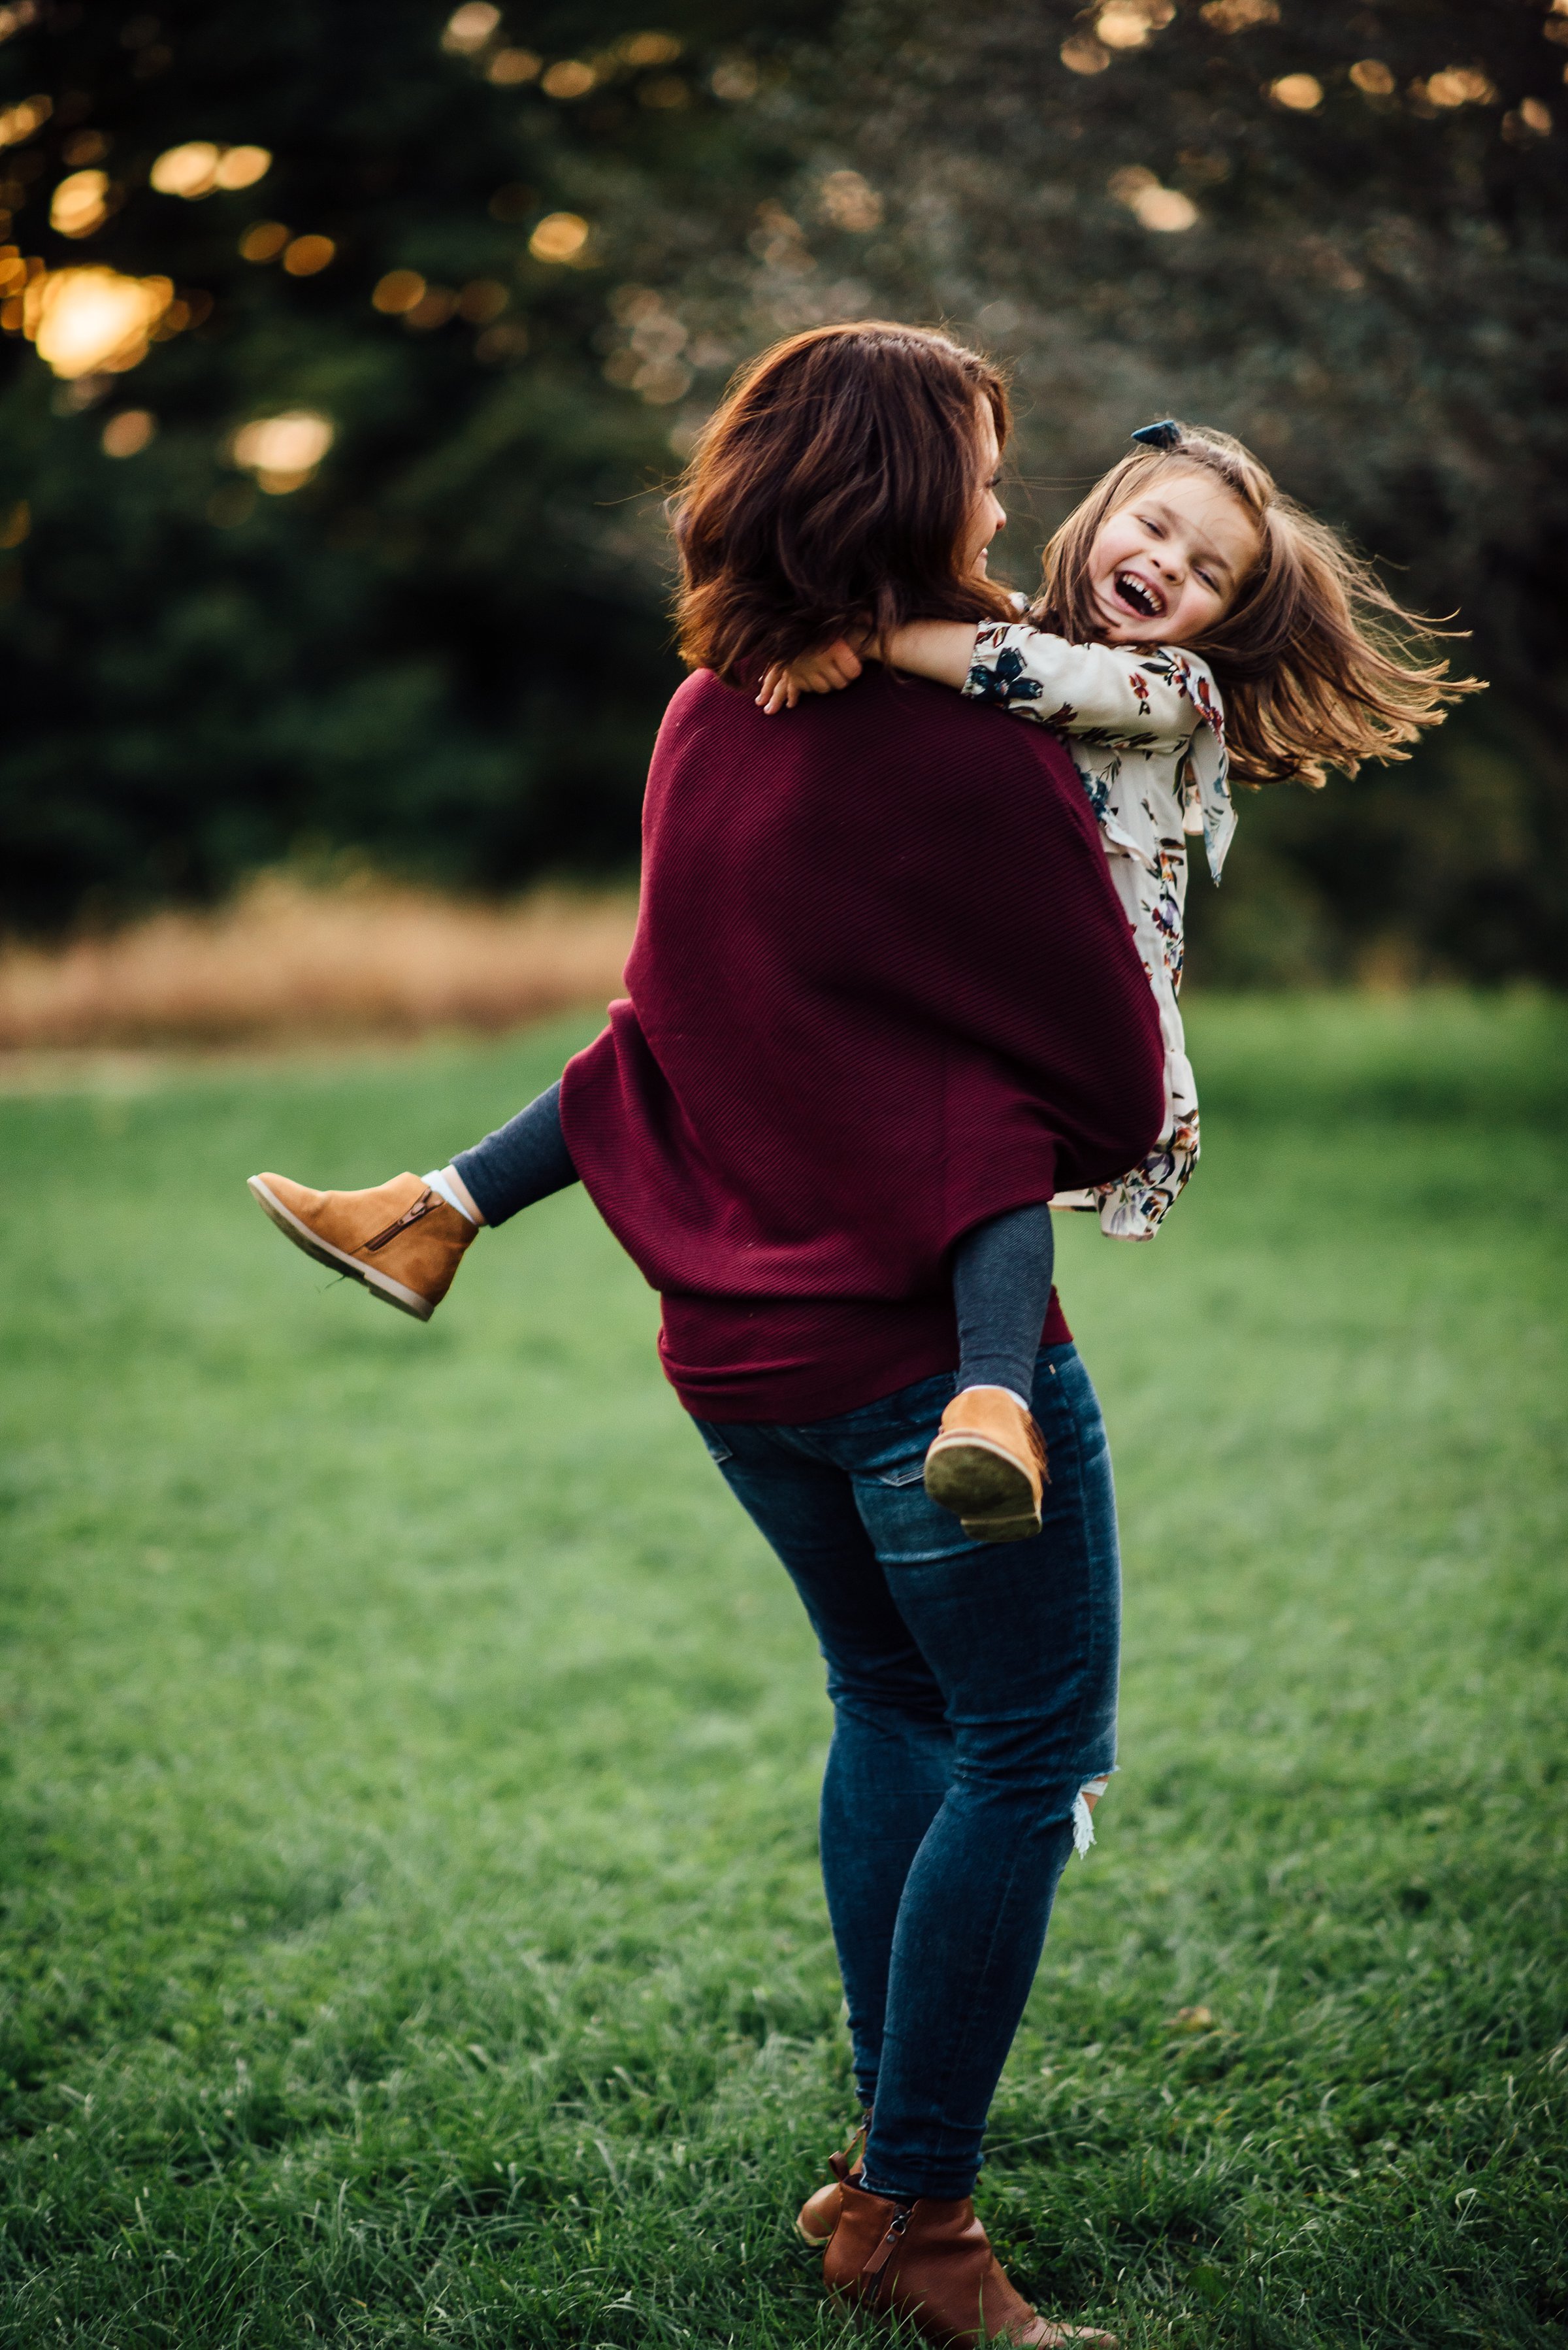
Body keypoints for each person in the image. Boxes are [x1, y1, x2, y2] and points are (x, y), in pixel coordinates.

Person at [250, 320, 1170, 2347]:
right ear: (915, 490)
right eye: (988, 469)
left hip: (740, 1365)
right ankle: (927, 2220)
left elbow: (661, 1030)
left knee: (894, 1709)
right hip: (935, 1357)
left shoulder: (702, 715)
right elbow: (1109, 1075)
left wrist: (475, 1190)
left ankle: (875, 2173)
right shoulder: (974, 745)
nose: (1011, 505)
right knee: (1022, 1755)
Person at [250, 414, 1478, 1555]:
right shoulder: (996, 629)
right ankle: (435, 1212)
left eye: (1209, 574)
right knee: (665, 1034)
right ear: (1102, 511)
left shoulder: (1165, 687)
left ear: (1219, 621)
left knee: (993, 1140)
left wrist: (863, 637)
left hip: (1075, 1003)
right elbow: (984, 662)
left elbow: (1036, 683)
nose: (1169, 566)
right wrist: (813, 641)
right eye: (1154, 526)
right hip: (959, 968)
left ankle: (990, 1402)